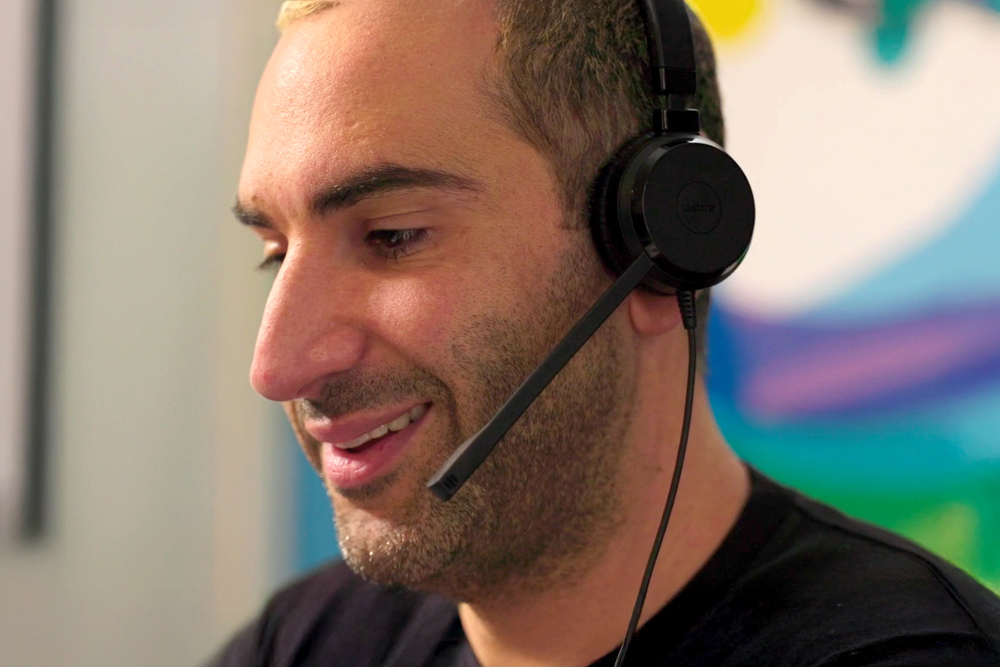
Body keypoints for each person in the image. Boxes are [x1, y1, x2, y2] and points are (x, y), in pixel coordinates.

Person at [213, 0, 1000, 665]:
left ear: (656, 247)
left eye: (393, 237)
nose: (277, 365)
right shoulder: (304, 641)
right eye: (274, 253)